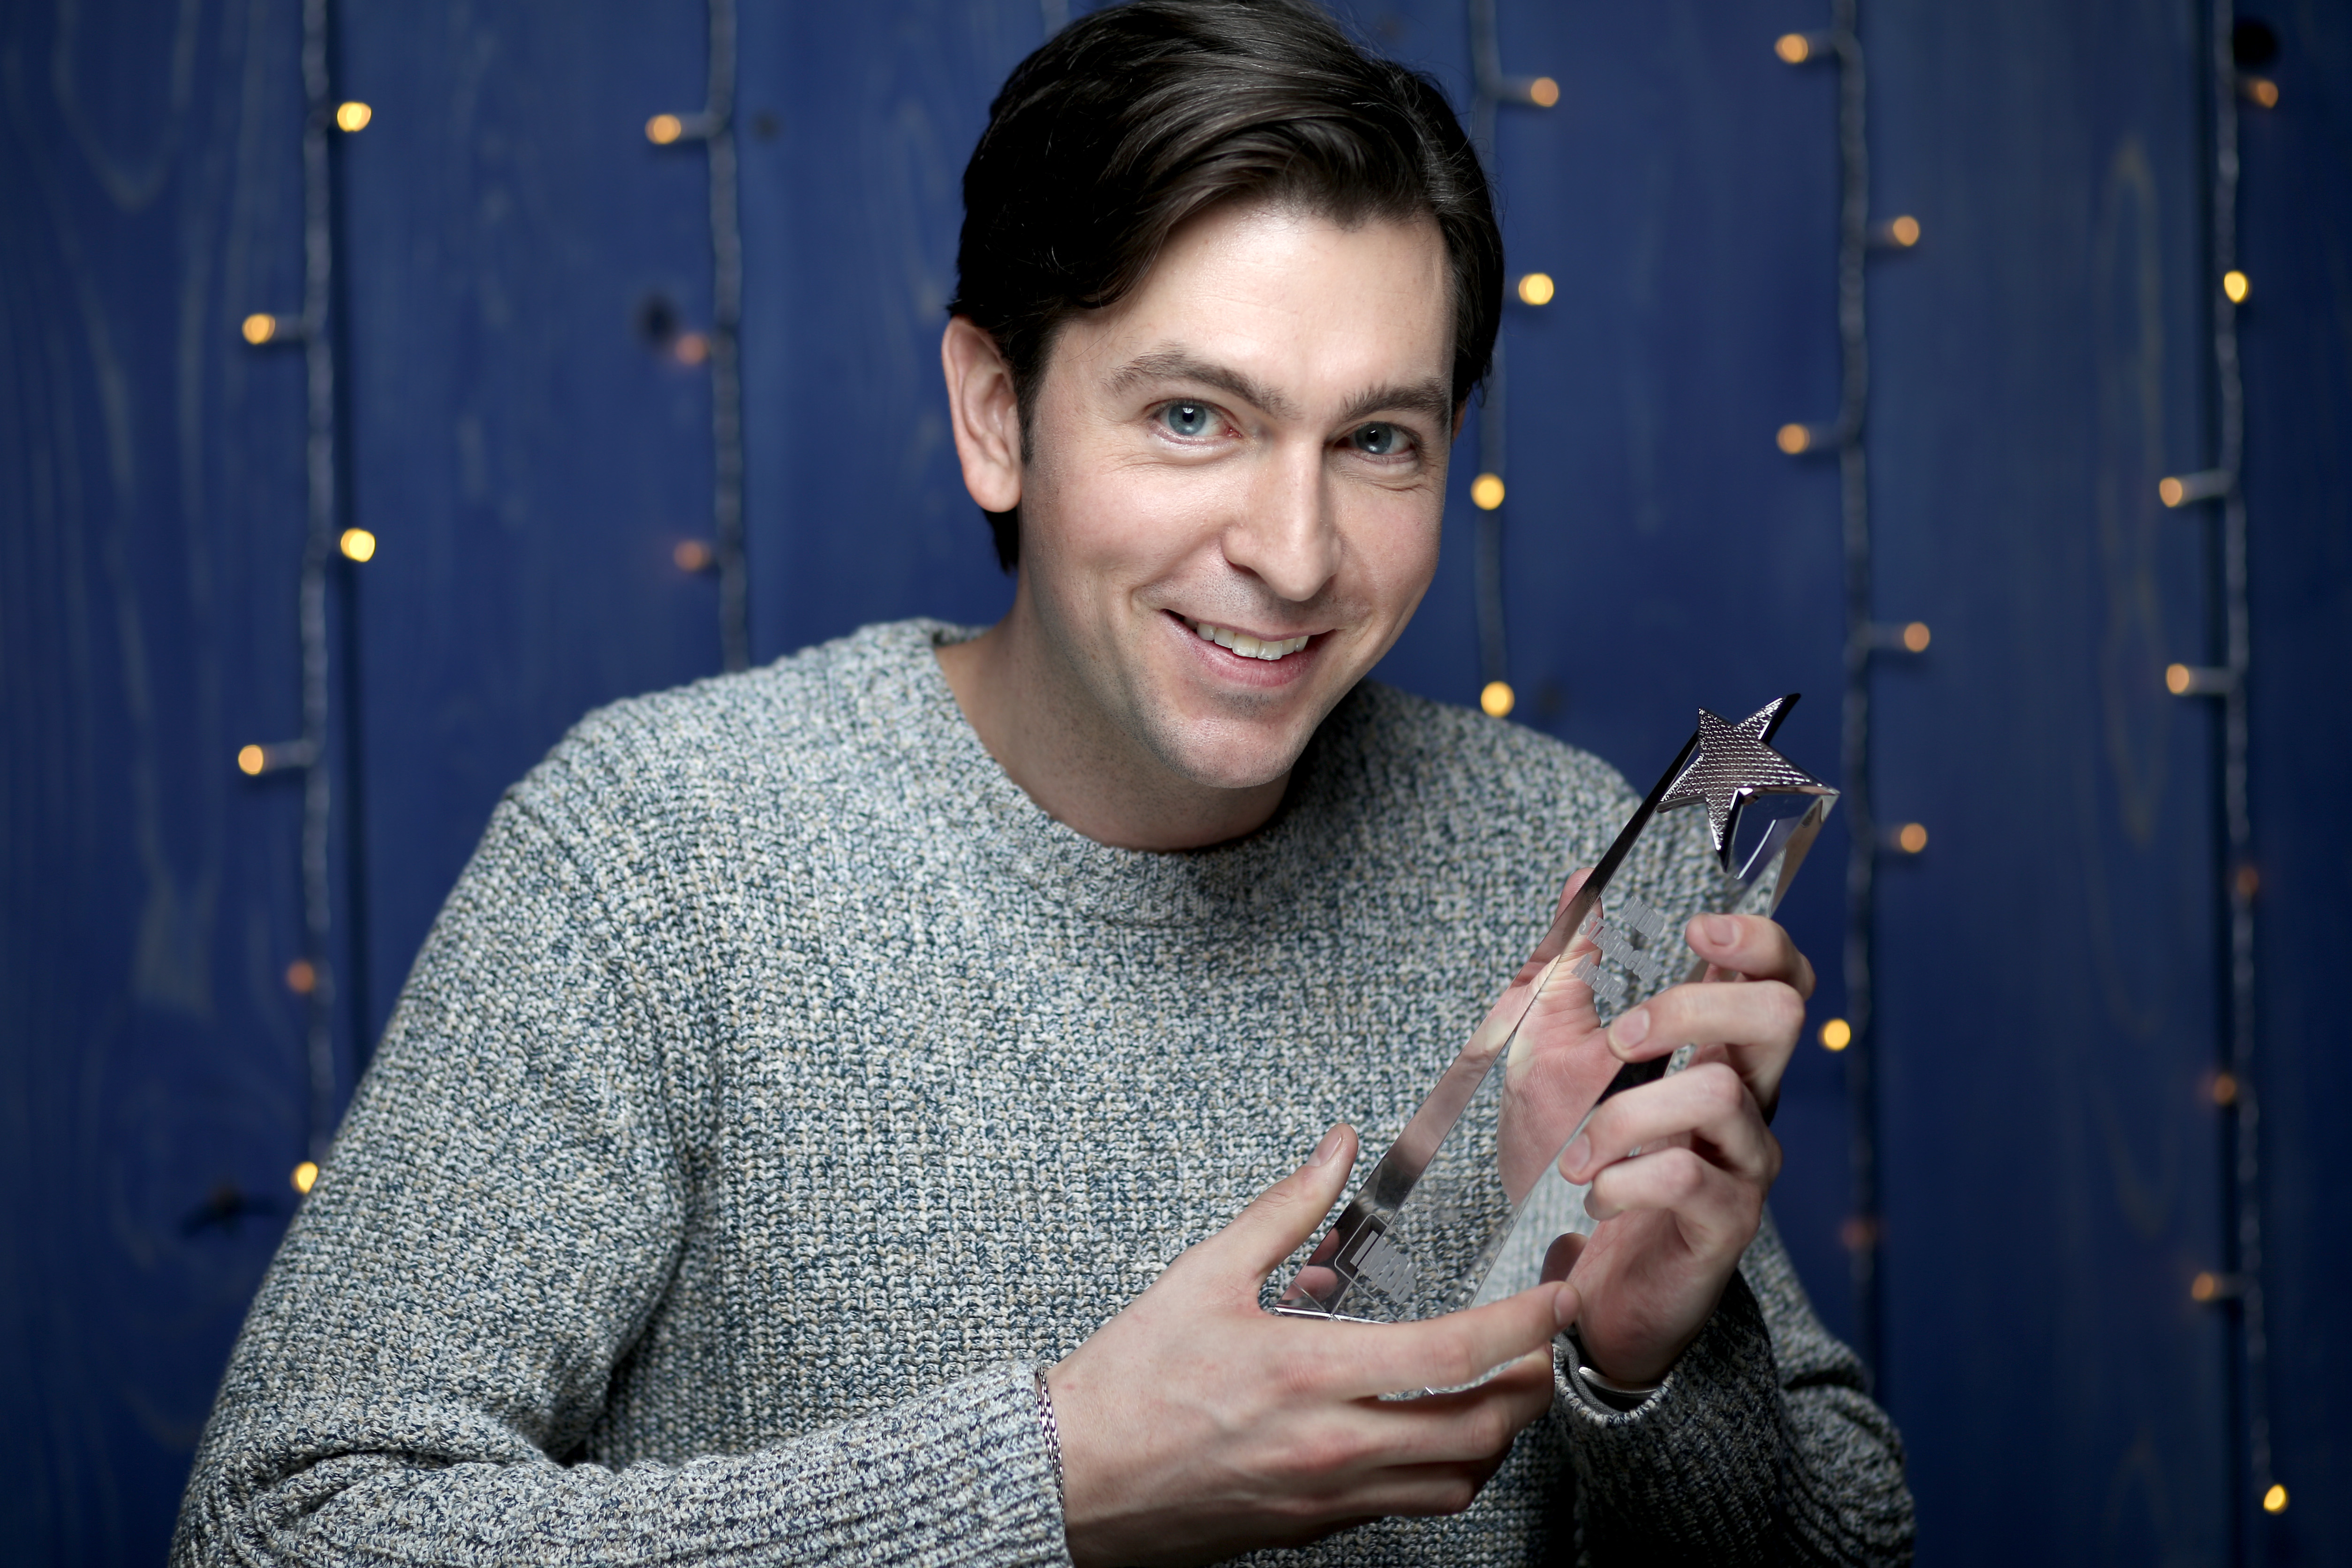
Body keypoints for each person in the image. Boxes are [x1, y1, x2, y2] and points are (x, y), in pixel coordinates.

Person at [174, 2, 1913, 1563]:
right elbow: (285, 1530)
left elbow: (1845, 1541)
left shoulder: (1548, 847)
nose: (1295, 553)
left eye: (1377, 441)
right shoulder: (660, 854)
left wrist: (1646, 1355)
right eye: (1192, 419)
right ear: (995, 412)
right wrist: (1055, 1483)